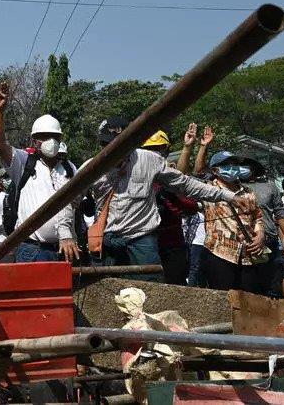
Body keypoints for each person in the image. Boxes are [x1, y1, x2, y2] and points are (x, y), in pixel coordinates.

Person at [71, 117, 255, 282]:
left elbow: (186, 184)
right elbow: (70, 202)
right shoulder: (90, 168)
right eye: (107, 145)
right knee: (109, 290)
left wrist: (228, 196)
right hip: (108, 239)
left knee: (150, 290)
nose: (112, 150)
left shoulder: (150, 161)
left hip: (142, 239)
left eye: (119, 144)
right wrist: (66, 235)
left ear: (131, 143)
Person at [0, 83, 80, 263]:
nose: (50, 141)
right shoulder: (24, 163)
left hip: (65, 248)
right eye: (44, 136)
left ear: (61, 139)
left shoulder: (70, 168)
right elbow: (0, 145)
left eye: (54, 137)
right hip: (32, 250)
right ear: (34, 141)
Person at [198, 151, 271, 294]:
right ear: (215, 170)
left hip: (248, 254)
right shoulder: (207, 190)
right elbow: (196, 172)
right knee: (224, 299)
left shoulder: (248, 192)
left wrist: (261, 234)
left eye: (234, 164)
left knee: (251, 298)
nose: (232, 167)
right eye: (226, 164)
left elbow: (257, 216)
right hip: (219, 253)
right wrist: (202, 147)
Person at [141, 130, 197, 285]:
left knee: (175, 287)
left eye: (159, 149)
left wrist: (172, 195)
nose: (154, 153)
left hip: (172, 244)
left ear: (166, 151)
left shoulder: (171, 177)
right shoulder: (136, 176)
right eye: (150, 149)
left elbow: (192, 206)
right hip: (142, 244)